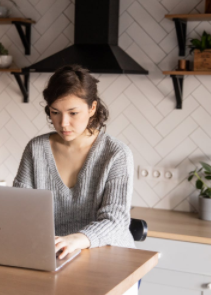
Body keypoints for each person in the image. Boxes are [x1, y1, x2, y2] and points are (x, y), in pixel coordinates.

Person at [13, 64, 135, 260]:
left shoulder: (116, 153)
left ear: (92, 108)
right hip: (53, 255)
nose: (63, 123)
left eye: (73, 113)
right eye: (55, 112)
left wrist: (76, 240)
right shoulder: (36, 149)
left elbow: (116, 221)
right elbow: (19, 208)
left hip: (108, 258)